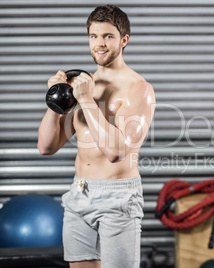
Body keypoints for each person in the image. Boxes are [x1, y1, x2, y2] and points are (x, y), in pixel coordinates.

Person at [37, 5, 155, 268]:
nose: (99, 44)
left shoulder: (138, 89)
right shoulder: (83, 85)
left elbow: (116, 151)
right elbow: (46, 146)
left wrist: (86, 99)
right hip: (79, 192)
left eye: (108, 36)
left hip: (118, 198)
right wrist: (55, 97)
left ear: (124, 40)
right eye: (94, 36)